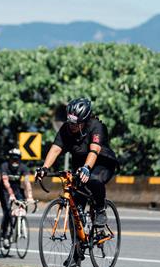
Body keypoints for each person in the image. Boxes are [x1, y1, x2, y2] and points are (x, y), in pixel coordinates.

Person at [36, 98, 119, 231]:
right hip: (79, 164)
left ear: (84, 121)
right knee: (75, 205)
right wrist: (44, 168)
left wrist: (87, 168)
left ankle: (100, 209)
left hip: (101, 163)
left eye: (76, 124)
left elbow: (94, 150)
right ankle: (77, 249)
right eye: (70, 122)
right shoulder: (66, 129)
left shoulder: (96, 126)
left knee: (94, 180)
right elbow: (56, 148)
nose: (72, 126)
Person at [0, 147, 34, 246]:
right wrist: (11, 194)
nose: (15, 160)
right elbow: (5, 182)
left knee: (23, 206)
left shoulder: (23, 167)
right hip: (5, 191)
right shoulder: (4, 166)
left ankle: (16, 226)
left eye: (17, 158)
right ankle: (5, 235)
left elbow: (27, 182)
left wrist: (30, 196)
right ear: (9, 158)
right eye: (12, 158)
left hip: (17, 190)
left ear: (20, 159)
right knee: (8, 212)